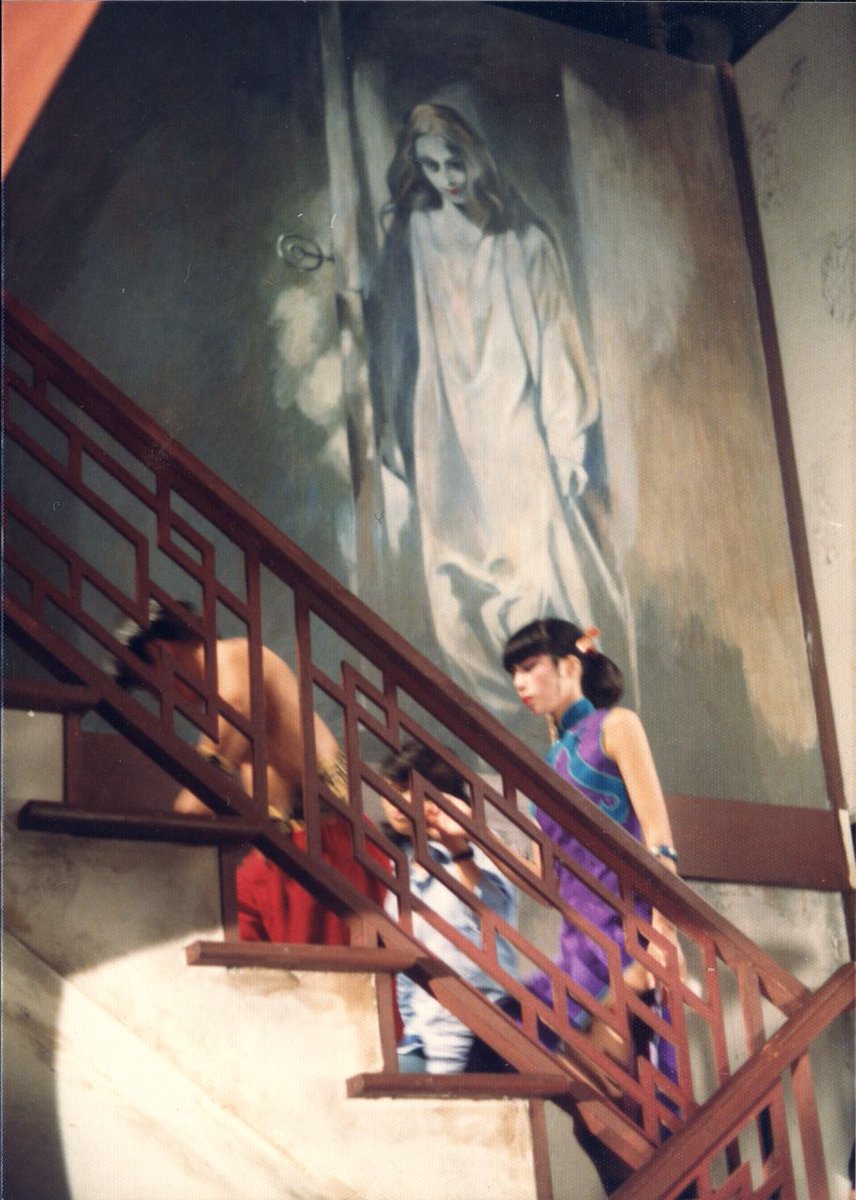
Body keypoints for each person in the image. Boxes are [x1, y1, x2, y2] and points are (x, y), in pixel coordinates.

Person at [367, 101, 633, 720]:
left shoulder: (524, 241)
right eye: (431, 167)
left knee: (532, 561)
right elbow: (393, 336)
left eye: (454, 163)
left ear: (476, 156)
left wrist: (566, 443)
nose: (446, 178)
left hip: (510, 422)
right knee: (454, 569)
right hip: (444, 424)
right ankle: (495, 709)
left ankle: (566, 698)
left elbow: (556, 342)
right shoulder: (416, 236)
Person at [502, 617, 682, 1193]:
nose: (520, 684)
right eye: (513, 673)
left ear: (570, 665)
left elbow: (659, 838)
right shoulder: (548, 760)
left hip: (629, 933)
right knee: (594, 1116)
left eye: (529, 667)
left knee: (606, 1087)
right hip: (578, 942)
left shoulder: (616, 726)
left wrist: (660, 936)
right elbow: (547, 879)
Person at [111, 601, 387, 945]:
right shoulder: (223, 686)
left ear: (161, 652)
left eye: (149, 684)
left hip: (330, 847)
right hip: (289, 853)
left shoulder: (237, 660)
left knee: (325, 972)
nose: (160, 697)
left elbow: (198, 799)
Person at [380, 740, 519, 1074]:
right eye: (391, 790)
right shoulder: (400, 869)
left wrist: (456, 845)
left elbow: (490, 904)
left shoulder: (477, 850)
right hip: (421, 1035)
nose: (397, 801)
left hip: (479, 1035)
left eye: (408, 789)